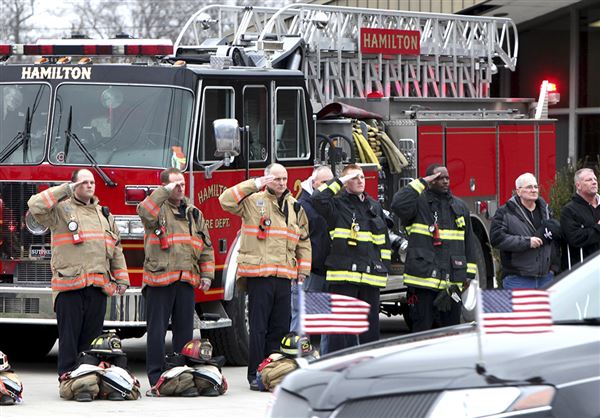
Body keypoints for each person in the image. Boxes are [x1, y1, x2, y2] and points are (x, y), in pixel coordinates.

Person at [27, 169, 129, 383]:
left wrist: (122, 279)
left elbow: (116, 249)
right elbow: (35, 205)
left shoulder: (104, 214)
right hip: (69, 288)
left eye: (92, 182)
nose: (90, 185)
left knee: (91, 340)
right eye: (84, 182)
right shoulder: (60, 211)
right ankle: (67, 380)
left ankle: (86, 380)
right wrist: (65, 188)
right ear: (74, 185)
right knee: (69, 339)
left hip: (97, 288)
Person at [219, 163, 311, 391]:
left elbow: (304, 241)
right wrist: (255, 183)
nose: (281, 183)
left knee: (279, 328)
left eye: (284, 179)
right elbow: (225, 200)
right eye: (276, 179)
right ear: (268, 179)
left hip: (284, 277)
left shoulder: (295, 207)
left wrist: (303, 271)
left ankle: (272, 372)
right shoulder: (253, 201)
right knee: (258, 329)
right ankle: (255, 374)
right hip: (259, 277)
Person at [137, 167, 215, 396]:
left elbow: (206, 248)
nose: (180, 188)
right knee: (157, 332)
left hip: (186, 281)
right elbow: (143, 211)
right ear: (164, 187)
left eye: (182, 184)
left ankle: (181, 376)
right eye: (175, 185)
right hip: (159, 280)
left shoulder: (193, 213)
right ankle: (156, 378)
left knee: (185, 334)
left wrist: (207, 275)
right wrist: (164, 191)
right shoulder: (156, 209)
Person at [312, 164, 390, 353]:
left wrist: (383, 267)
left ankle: (368, 369)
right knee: (342, 331)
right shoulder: (336, 205)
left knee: (369, 330)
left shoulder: (374, 206)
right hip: (344, 278)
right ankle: (341, 369)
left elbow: (384, 241)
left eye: (362, 177)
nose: (360, 180)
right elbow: (317, 198)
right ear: (346, 183)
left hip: (370, 278)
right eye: (354, 178)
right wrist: (340, 180)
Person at [391, 164, 477, 332]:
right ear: (429, 180)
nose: (445, 181)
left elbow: (469, 243)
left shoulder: (460, 207)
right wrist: (421, 182)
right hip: (422, 283)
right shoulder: (418, 204)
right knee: (422, 330)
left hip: (451, 284)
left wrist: (468, 275)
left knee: (451, 331)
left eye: (447, 178)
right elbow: (397, 203)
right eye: (439, 178)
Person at [490, 173, 561, 289]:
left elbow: (555, 239)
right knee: (521, 309)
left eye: (535, 187)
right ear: (518, 191)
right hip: (518, 279)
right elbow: (496, 238)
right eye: (529, 187)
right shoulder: (505, 212)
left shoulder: (547, 211)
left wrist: (554, 268)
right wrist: (527, 242)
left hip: (546, 278)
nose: (533, 190)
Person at [290, 165, 334, 353]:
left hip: (329, 270)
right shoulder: (303, 205)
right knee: (302, 319)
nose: (328, 186)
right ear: (313, 182)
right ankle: (295, 357)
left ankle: (324, 360)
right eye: (324, 182)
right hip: (309, 273)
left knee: (326, 321)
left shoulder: (333, 203)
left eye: (331, 182)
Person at [560, 168, 600, 266]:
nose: (594, 182)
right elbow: (575, 239)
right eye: (589, 180)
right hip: (582, 271)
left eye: (595, 179)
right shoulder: (569, 210)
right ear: (578, 185)